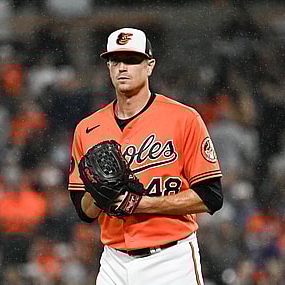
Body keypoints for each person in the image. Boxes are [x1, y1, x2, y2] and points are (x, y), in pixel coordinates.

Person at [68, 27, 223, 285]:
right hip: (113, 261)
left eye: (131, 60)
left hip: (170, 259)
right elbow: (84, 212)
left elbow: (211, 197)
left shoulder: (183, 119)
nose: (122, 68)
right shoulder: (87, 128)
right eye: (115, 60)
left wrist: (140, 204)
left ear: (149, 66)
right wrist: (100, 194)